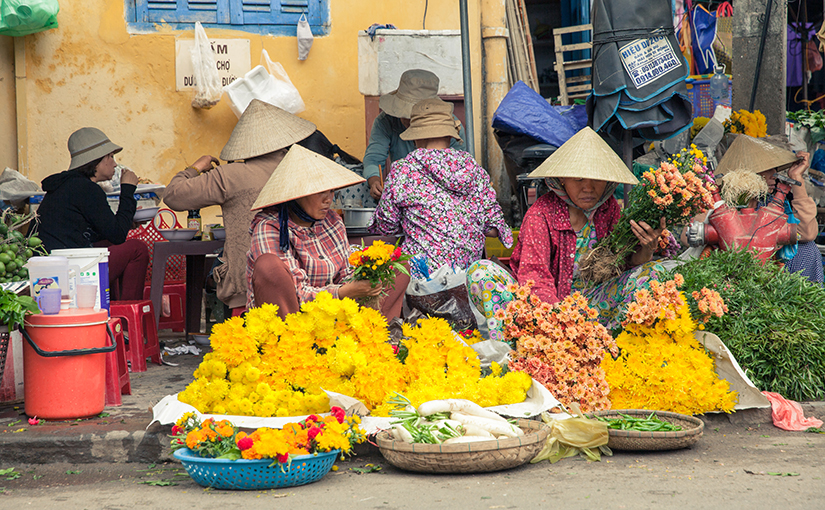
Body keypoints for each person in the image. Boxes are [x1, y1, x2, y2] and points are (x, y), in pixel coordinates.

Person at [469, 127, 664, 339]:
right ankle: (518, 350)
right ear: (562, 179)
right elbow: (535, 280)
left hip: (591, 308)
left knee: (652, 273)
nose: (588, 188)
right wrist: (560, 326)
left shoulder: (609, 210)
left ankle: (609, 344)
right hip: (542, 311)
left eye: (596, 179)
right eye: (578, 179)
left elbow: (622, 267)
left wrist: (645, 250)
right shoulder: (541, 215)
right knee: (480, 271)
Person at [163, 99, 316, 314]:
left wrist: (196, 167)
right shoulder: (306, 168)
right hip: (308, 283)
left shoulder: (230, 176)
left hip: (247, 291)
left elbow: (173, 196)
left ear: (245, 143)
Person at [247, 144, 409, 319]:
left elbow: (346, 273)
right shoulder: (270, 227)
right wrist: (343, 292)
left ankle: (372, 335)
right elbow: (297, 294)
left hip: (332, 314)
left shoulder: (332, 222)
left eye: (331, 191)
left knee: (397, 268)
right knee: (268, 266)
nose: (328, 199)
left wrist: (365, 279)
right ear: (296, 194)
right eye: (320, 192)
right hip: (292, 320)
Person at [367, 98, 512, 278]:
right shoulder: (474, 169)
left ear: (416, 137)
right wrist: (464, 222)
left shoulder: (404, 170)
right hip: (468, 277)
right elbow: (495, 228)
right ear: (450, 135)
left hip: (422, 279)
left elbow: (386, 225)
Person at [37, 127, 149, 301]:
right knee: (137, 249)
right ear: (96, 161)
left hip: (56, 264)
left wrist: (127, 221)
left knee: (108, 242)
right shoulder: (87, 189)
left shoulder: (67, 186)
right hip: (68, 270)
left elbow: (97, 230)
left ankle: (110, 309)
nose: (115, 164)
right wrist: (127, 190)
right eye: (110, 157)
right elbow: (118, 235)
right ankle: (126, 317)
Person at [697, 134, 822, 283]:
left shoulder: (771, 201)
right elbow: (689, 235)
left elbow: (808, 233)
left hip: (772, 272)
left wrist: (797, 178)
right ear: (745, 172)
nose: (774, 176)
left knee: (808, 249)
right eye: (767, 169)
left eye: (774, 169)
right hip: (727, 273)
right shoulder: (721, 200)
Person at [363, 69, 466, 200]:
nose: (406, 119)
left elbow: (459, 169)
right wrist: (374, 181)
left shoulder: (450, 125)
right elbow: (373, 158)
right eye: (403, 113)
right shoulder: (385, 122)